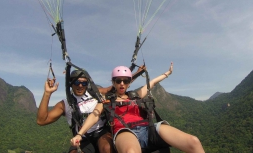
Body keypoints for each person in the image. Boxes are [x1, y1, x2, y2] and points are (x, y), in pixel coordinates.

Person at [70, 63, 206, 153]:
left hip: (148, 128)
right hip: (125, 132)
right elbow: (94, 116)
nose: (122, 84)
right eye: (118, 81)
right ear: (113, 82)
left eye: (126, 81)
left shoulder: (135, 95)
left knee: (193, 141)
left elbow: (151, 83)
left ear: (129, 82)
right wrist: (79, 134)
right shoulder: (106, 101)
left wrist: (167, 74)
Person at [37, 70, 114, 153]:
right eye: (77, 82)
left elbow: (115, 87)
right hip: (83, 138)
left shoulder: (95, 93)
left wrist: (128, 77)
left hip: (101, 133)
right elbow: (41, 120)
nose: (80, 86)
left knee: (107, 148)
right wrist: (47, 93)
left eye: (84, 83)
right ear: (71, 83)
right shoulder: (65, 104)